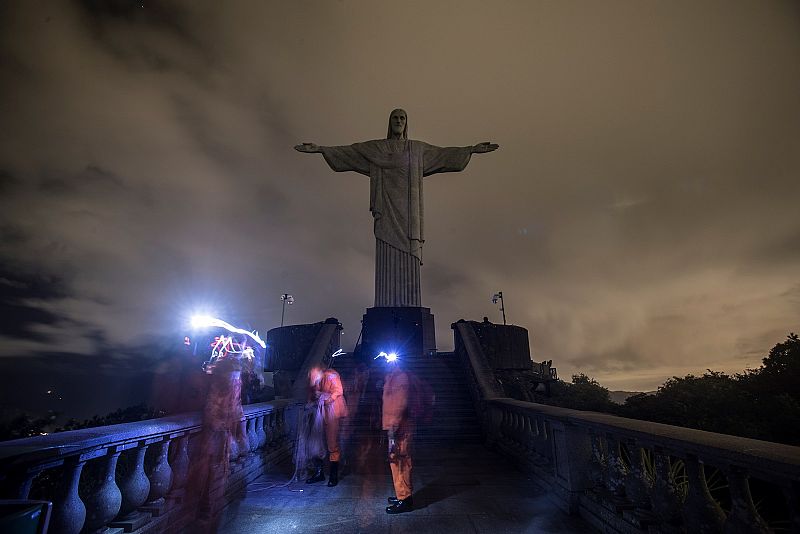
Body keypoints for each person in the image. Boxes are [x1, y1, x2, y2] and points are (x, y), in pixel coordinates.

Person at [295, 109, 498, 308]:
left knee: (409, 255)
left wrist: (470, 149)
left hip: (409, 217)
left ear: (406, 123)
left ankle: (409, 304)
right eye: (395, 118)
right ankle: (385, 303)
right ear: (389, 122)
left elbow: (443, 154)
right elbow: (350, 151)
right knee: (385, 249)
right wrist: (321, 149)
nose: (399, 121)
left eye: (402, 118)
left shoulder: (417, 150)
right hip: (386, 212)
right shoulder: (377, 149)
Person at [382, 358, 416, 514]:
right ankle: (403, 495)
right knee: (398, 462)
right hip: (396, 425)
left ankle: (404, 499)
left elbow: (400, 403)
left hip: (399, 427)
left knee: (399, 461)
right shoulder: (392, 377)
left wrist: (393, 427)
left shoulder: (400, 378)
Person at [305, 365, 348, 486]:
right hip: (320, 412)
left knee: (332, 444)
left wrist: (325, 399)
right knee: (317, 442)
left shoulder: (331, 375)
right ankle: (319, 473)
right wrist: (311, 402)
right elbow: (311, 393)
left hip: (333, 412)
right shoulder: (314, 378)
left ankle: (333, 475)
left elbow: (338, 391)